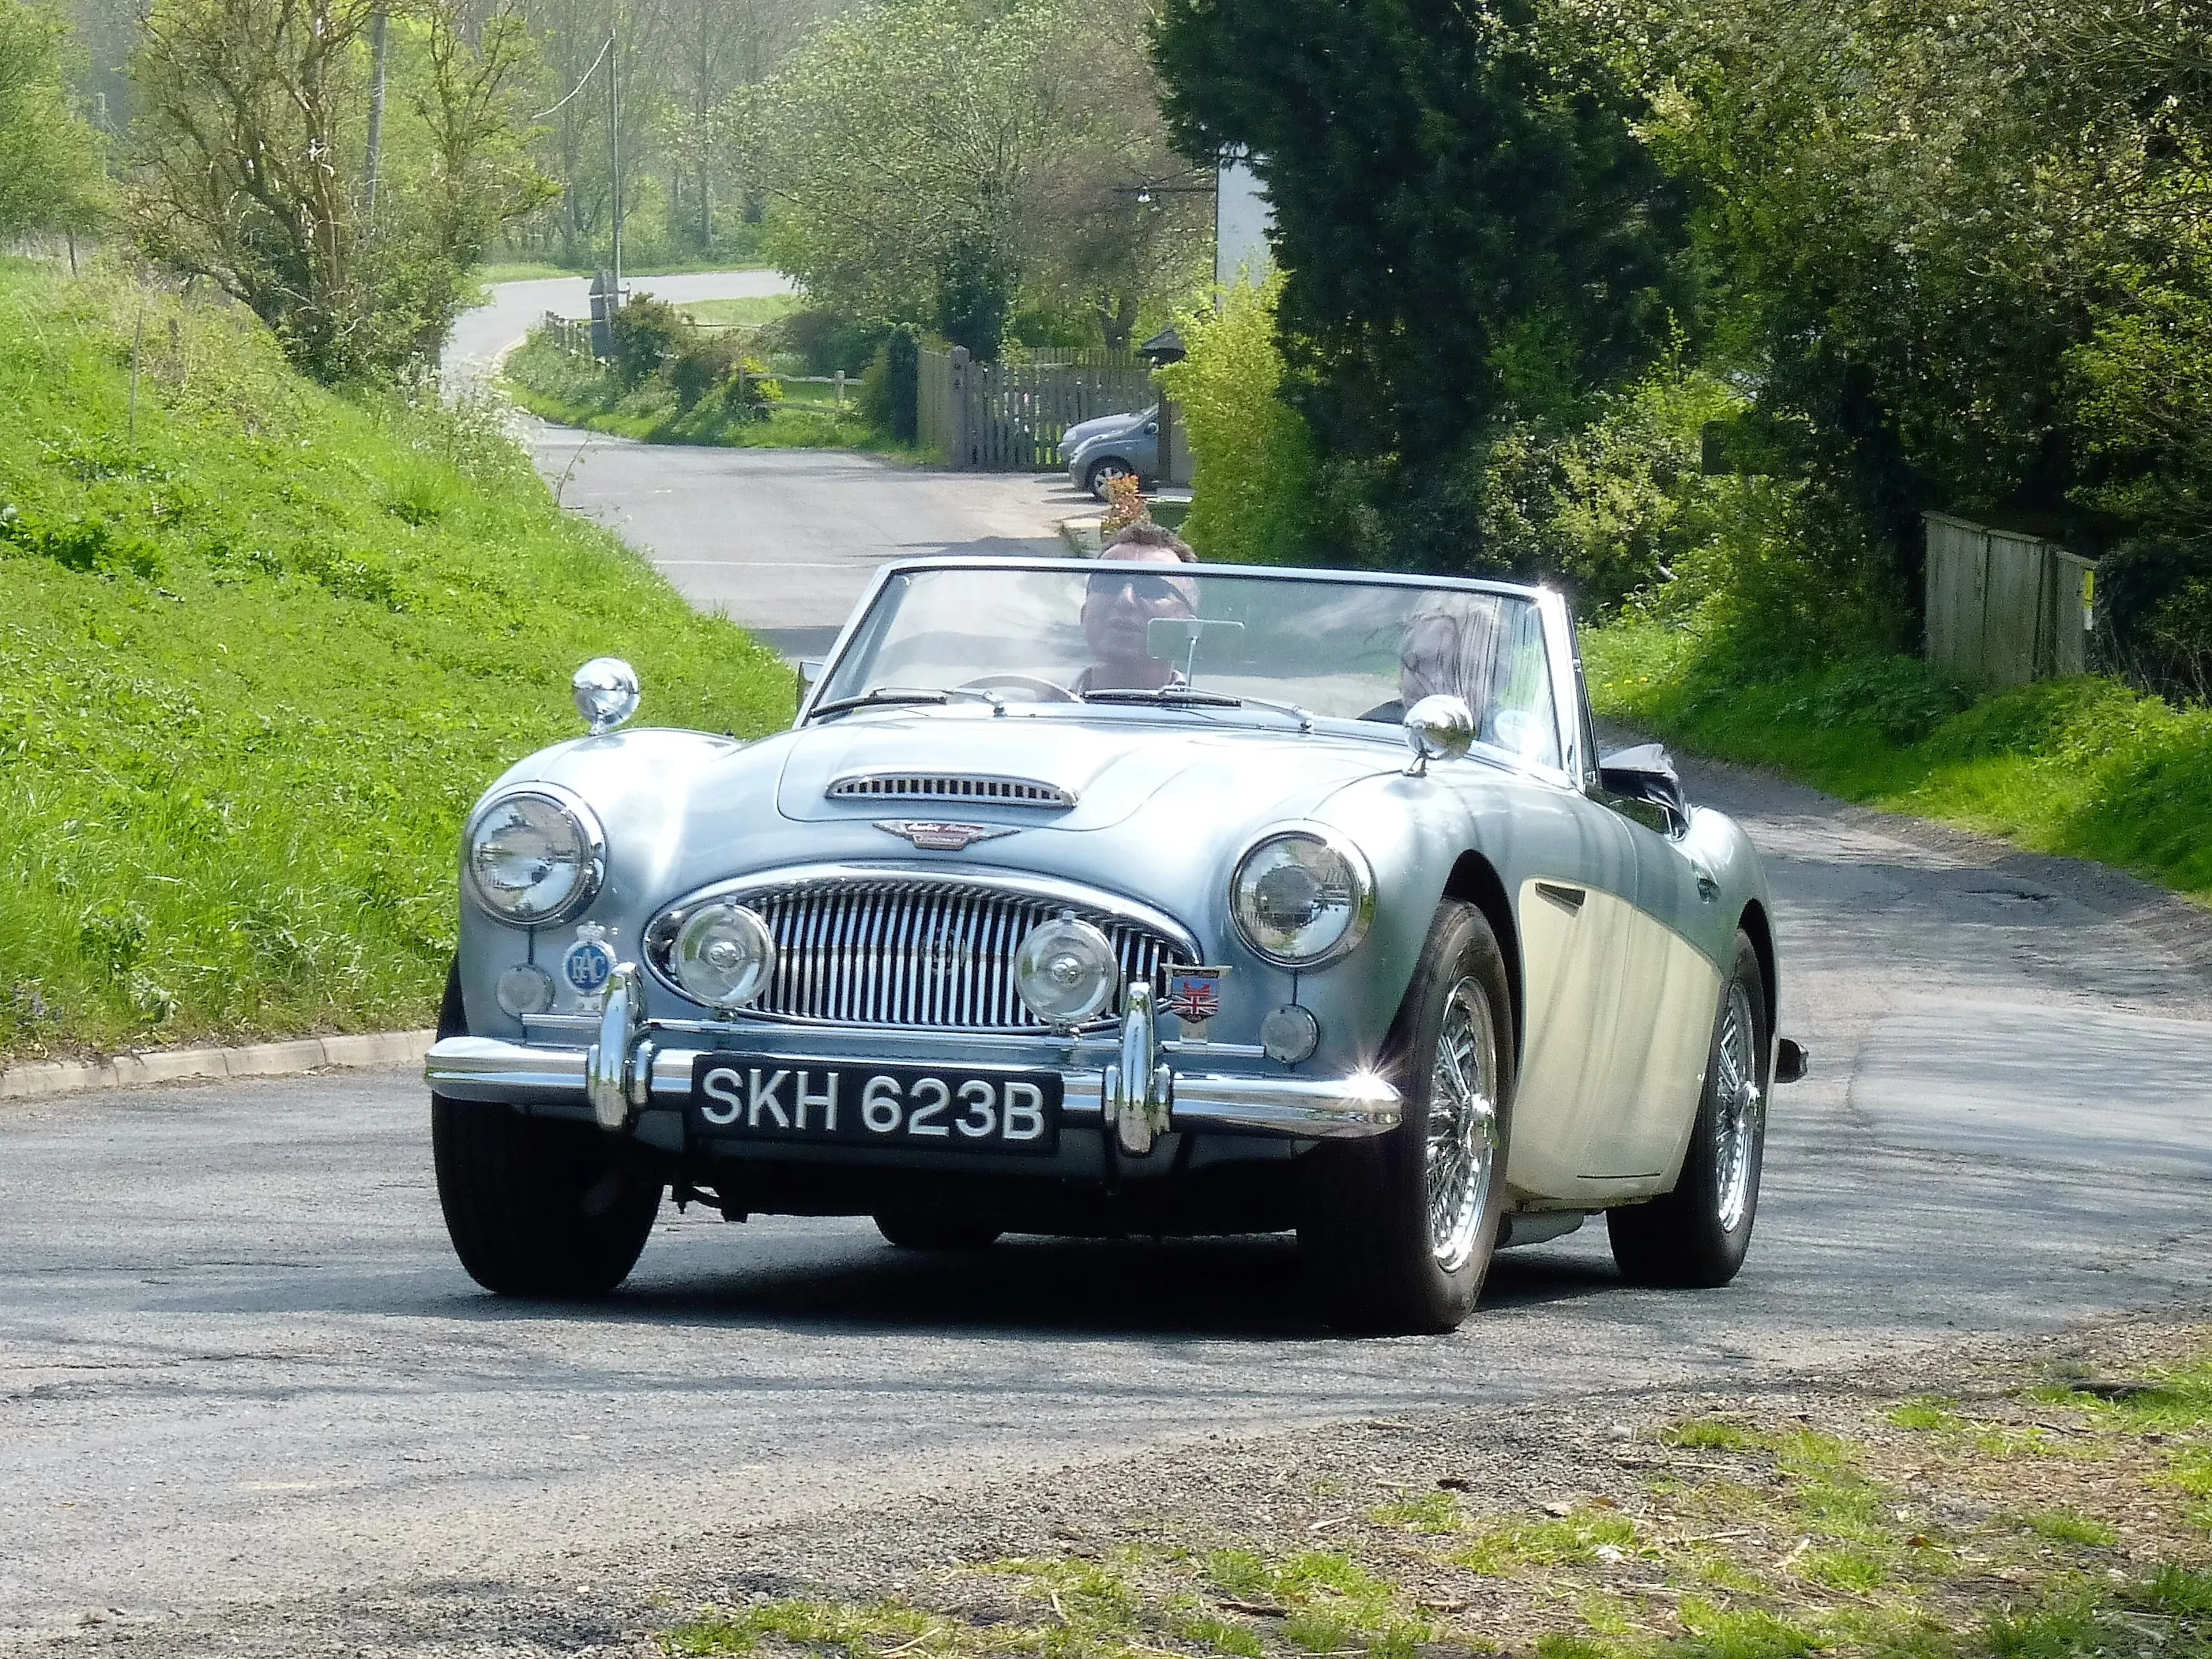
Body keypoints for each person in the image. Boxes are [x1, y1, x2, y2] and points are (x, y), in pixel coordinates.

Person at [1075, 524, 1198, 693]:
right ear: (1084, 614)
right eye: (1109, 584)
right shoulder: (1036, 713)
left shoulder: (1213, 718)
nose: (1125, 600)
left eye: (1152, 588)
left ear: (1187, 627)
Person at [1361, 592, 1505, 724]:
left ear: (1495, 684)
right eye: (1422, 663)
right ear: (1402, 670)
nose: (1437, 681)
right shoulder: (1369, 733)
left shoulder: (1513, 745)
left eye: (1463, 669)